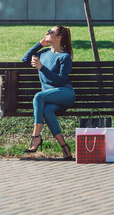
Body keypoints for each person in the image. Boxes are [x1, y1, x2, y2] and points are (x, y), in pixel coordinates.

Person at [21, 25, 76, 160]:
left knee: (38, 96)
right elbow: (25, 58)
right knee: (47, 110)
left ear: (58, 38)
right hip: (50, 99)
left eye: (50, 32)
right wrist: (39, 44)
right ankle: (65, 148)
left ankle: (36, 137)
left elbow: (60, 81)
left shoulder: (64, 57)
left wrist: (42, 68)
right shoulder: (44, 53)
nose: (47, 33)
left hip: (65, 94)